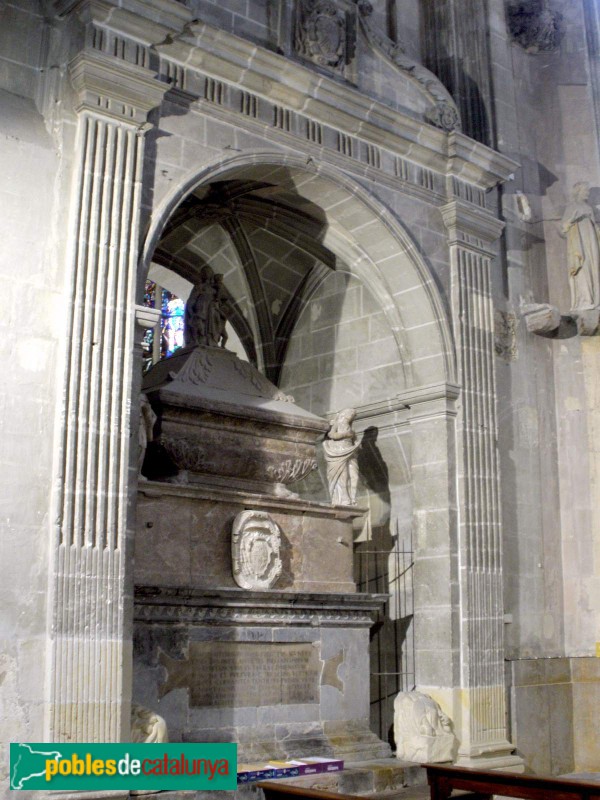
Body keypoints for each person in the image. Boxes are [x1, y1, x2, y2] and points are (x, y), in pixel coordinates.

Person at [560, 181, 600, 311]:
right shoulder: (572, 206)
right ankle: (584, 299)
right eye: (585, 190)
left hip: (591, 241)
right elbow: (563, 228)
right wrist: (574, 217)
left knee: (593, 267)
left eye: (588, 191)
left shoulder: (589, 208)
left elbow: (594, 226)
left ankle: (595, 299)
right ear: (578, 191)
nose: (587, 193)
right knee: (583, 269)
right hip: (578, 244)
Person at [323, 408, 360, 506]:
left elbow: (355, 440)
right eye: (350, 413)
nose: (352, 416)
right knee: (344, 475)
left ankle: (352, 497)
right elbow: (331, 434)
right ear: (343, 414)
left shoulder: (351, 428)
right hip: (339, 450)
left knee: (354, 476)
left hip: (350, 451)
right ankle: (344, 498)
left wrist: (356, 443)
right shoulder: (337, 423)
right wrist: (346, 434)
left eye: (353, 415)